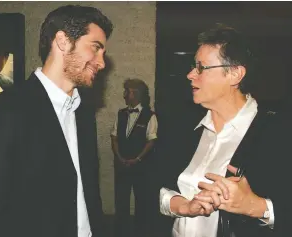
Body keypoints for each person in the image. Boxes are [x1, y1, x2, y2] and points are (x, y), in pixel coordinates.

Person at [0, 5, 113, 237]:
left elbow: (88, 193)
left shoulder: (83, 112)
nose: (101, 63)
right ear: (62, 41)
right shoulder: (3, 110)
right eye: (95, 48)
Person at [157, 24, 290, 237]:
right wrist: (181, 206)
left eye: (201, 67)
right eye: (193, 66)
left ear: (235, 74)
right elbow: (157, 185)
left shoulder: (279, 133)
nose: (190, 74)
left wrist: (255, 206)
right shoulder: (183, 125)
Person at [111, 78, 158, 237]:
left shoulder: (150, 116)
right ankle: (120, 232)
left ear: (136, 94)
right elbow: (114, 137)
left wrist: (137, 159)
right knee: (121, 201)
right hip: (121, 165)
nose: (124, 95)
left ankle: (141, 232)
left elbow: (151, 141)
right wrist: (119, 157)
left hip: (141, 167)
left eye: (127, 91)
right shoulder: (121, 114)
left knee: (141, 201)